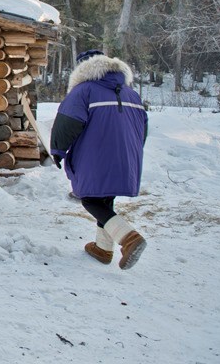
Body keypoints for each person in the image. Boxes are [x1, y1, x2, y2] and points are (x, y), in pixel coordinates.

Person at [50, 49, 149, 270]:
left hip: (95, 153)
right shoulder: (130, 93)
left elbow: (67, 123)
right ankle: (103, 248)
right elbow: (142, 129)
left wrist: (58, 149)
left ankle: (128, 238)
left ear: (82, 69)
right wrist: (132, 152)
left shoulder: (83, 91)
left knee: (90, 198)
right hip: (127, 154)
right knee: (105, 198)